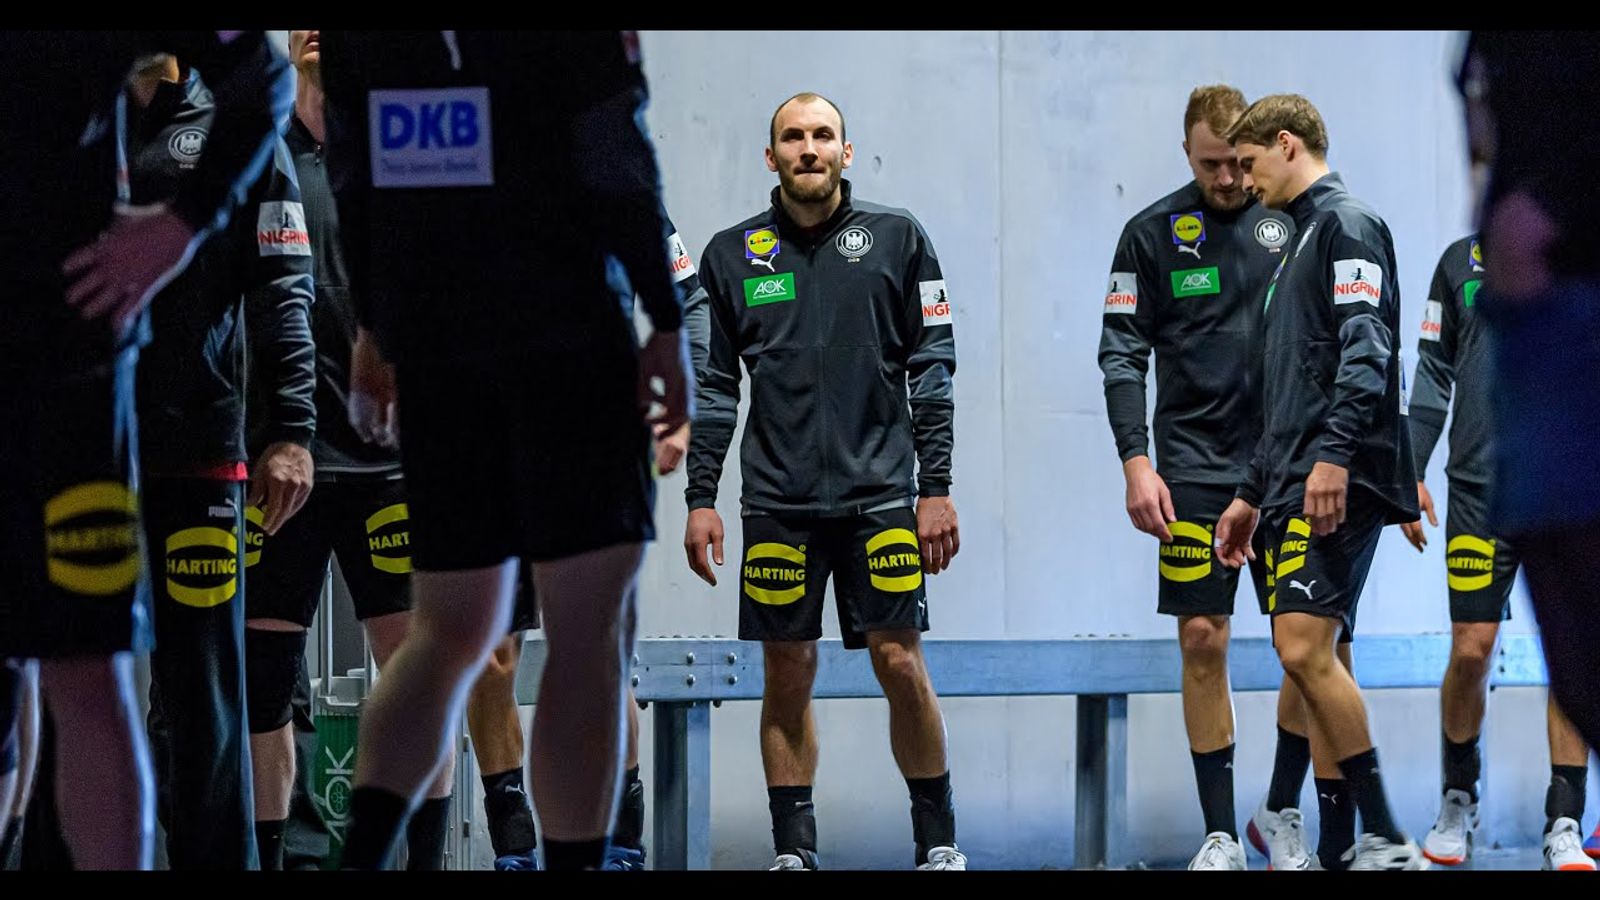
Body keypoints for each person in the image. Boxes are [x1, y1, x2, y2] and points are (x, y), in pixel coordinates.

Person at [321, 31, 690, 871]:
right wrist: (665, 321)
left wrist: (376, 330)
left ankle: (363, 858)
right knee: (589, 629)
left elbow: (355, 178)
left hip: (442, 350)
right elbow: (612, 148)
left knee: (448, 630)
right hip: (565, 339)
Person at [684, 91, 964, 871]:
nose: (809, 149)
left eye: (823, 136)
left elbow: (933, 370)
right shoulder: (729, 255)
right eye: (792, 138)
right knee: (787, 671)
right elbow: (712, 388)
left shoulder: (899, 239)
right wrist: (700, 499)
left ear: (848, 151)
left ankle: (938, 843)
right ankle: (794, 853)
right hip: (777, 504)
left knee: (900, 663)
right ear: (770, 158)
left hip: (881, 497)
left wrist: (933, 487)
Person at [1097, 84, 1308, 871]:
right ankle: (1221, 831)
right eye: (1209, 163)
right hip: (1190, 468)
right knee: (1201, 638)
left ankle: (1280, 812)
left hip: (1286, 469)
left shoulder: (1293, 226)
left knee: (1308, 647)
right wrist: (1137, 463)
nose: (1226, 179)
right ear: (1187, 154)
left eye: (1236, 163)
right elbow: (1120, 354)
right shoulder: (1150, 235)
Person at [1214, 93, 1425, 870]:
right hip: (1292, 479)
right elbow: (1287, 391)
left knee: (1301, 646)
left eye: (1250, 163)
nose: (1242, 181)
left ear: (1287, 143)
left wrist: (1334, 458)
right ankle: (1338, 843)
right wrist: (1247, 492)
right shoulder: (1297, 245)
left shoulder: (1348, 224)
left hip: (1338, 476)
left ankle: (1378, 831)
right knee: (1317, 655)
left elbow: (1368, 349)